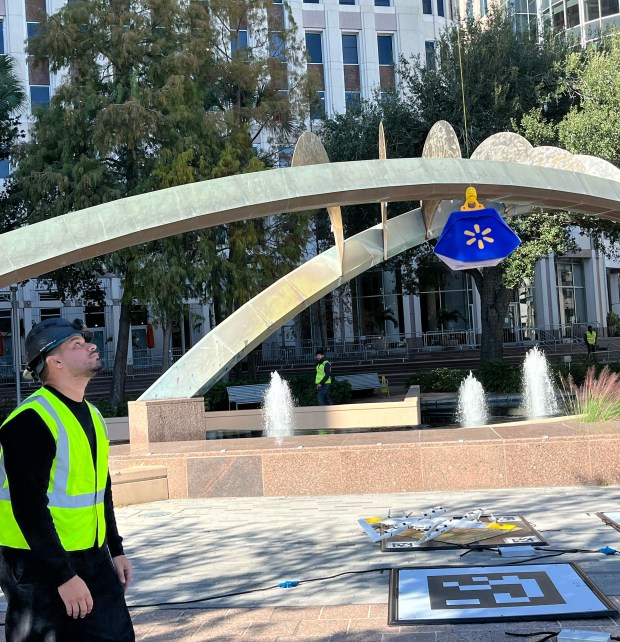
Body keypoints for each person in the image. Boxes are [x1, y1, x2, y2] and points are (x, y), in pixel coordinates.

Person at [0, 318, 135, 642]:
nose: (91, 345)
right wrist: (63, 576)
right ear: (54, 361)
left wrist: (115, 549)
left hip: (91, 555)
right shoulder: (30, 421)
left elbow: (102, 490)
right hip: (35, 562)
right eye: (76, 344)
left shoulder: (92, 414)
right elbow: (29, 506)